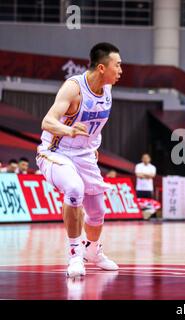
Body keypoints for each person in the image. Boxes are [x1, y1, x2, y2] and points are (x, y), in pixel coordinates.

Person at [36, 42, 122, 278]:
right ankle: (75, 256)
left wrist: (93, 145)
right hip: (55, 151)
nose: (121, 70)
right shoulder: (73, 88)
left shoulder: (107, 90)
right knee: (75, 189)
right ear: (102, 67)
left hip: (83, 155)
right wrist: (69, 131)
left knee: (97, 212)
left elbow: (96, 124)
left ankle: (92, 251)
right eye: (118, 65)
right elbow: (48, 121)